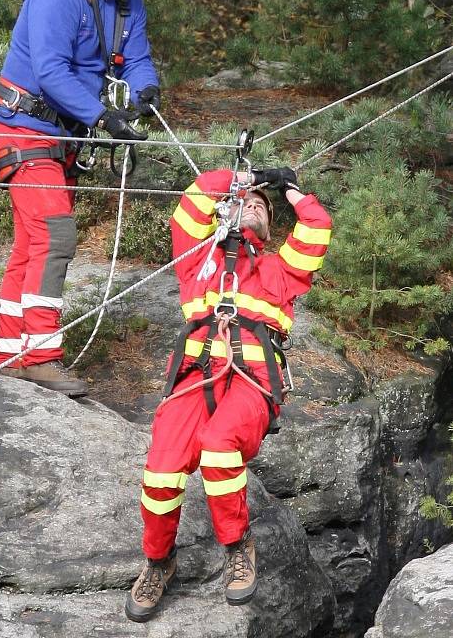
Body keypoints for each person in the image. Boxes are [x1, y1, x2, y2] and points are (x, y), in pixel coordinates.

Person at [125, 165, 332, 621]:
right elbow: (193, 202)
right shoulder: (197, 256)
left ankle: (238, 546)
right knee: (161, 472)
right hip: (196, 376)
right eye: (246, 201)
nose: (255, 204)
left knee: (219, 448)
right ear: (228, 210)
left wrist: (293, 191)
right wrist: (243, 176)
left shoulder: (283, 270)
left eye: (263, 206)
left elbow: (317, 228)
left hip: (252, 380)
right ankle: (159, 561)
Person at [0, 0, 160, 396]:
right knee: (56, 235)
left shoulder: (129, 2)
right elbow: (51, 72)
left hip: (61, 136)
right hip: (23, 127)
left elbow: (138, 59)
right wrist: (102, 116)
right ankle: (40, 355)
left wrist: (146, 91)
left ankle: (11, 353)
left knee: (33, 241)